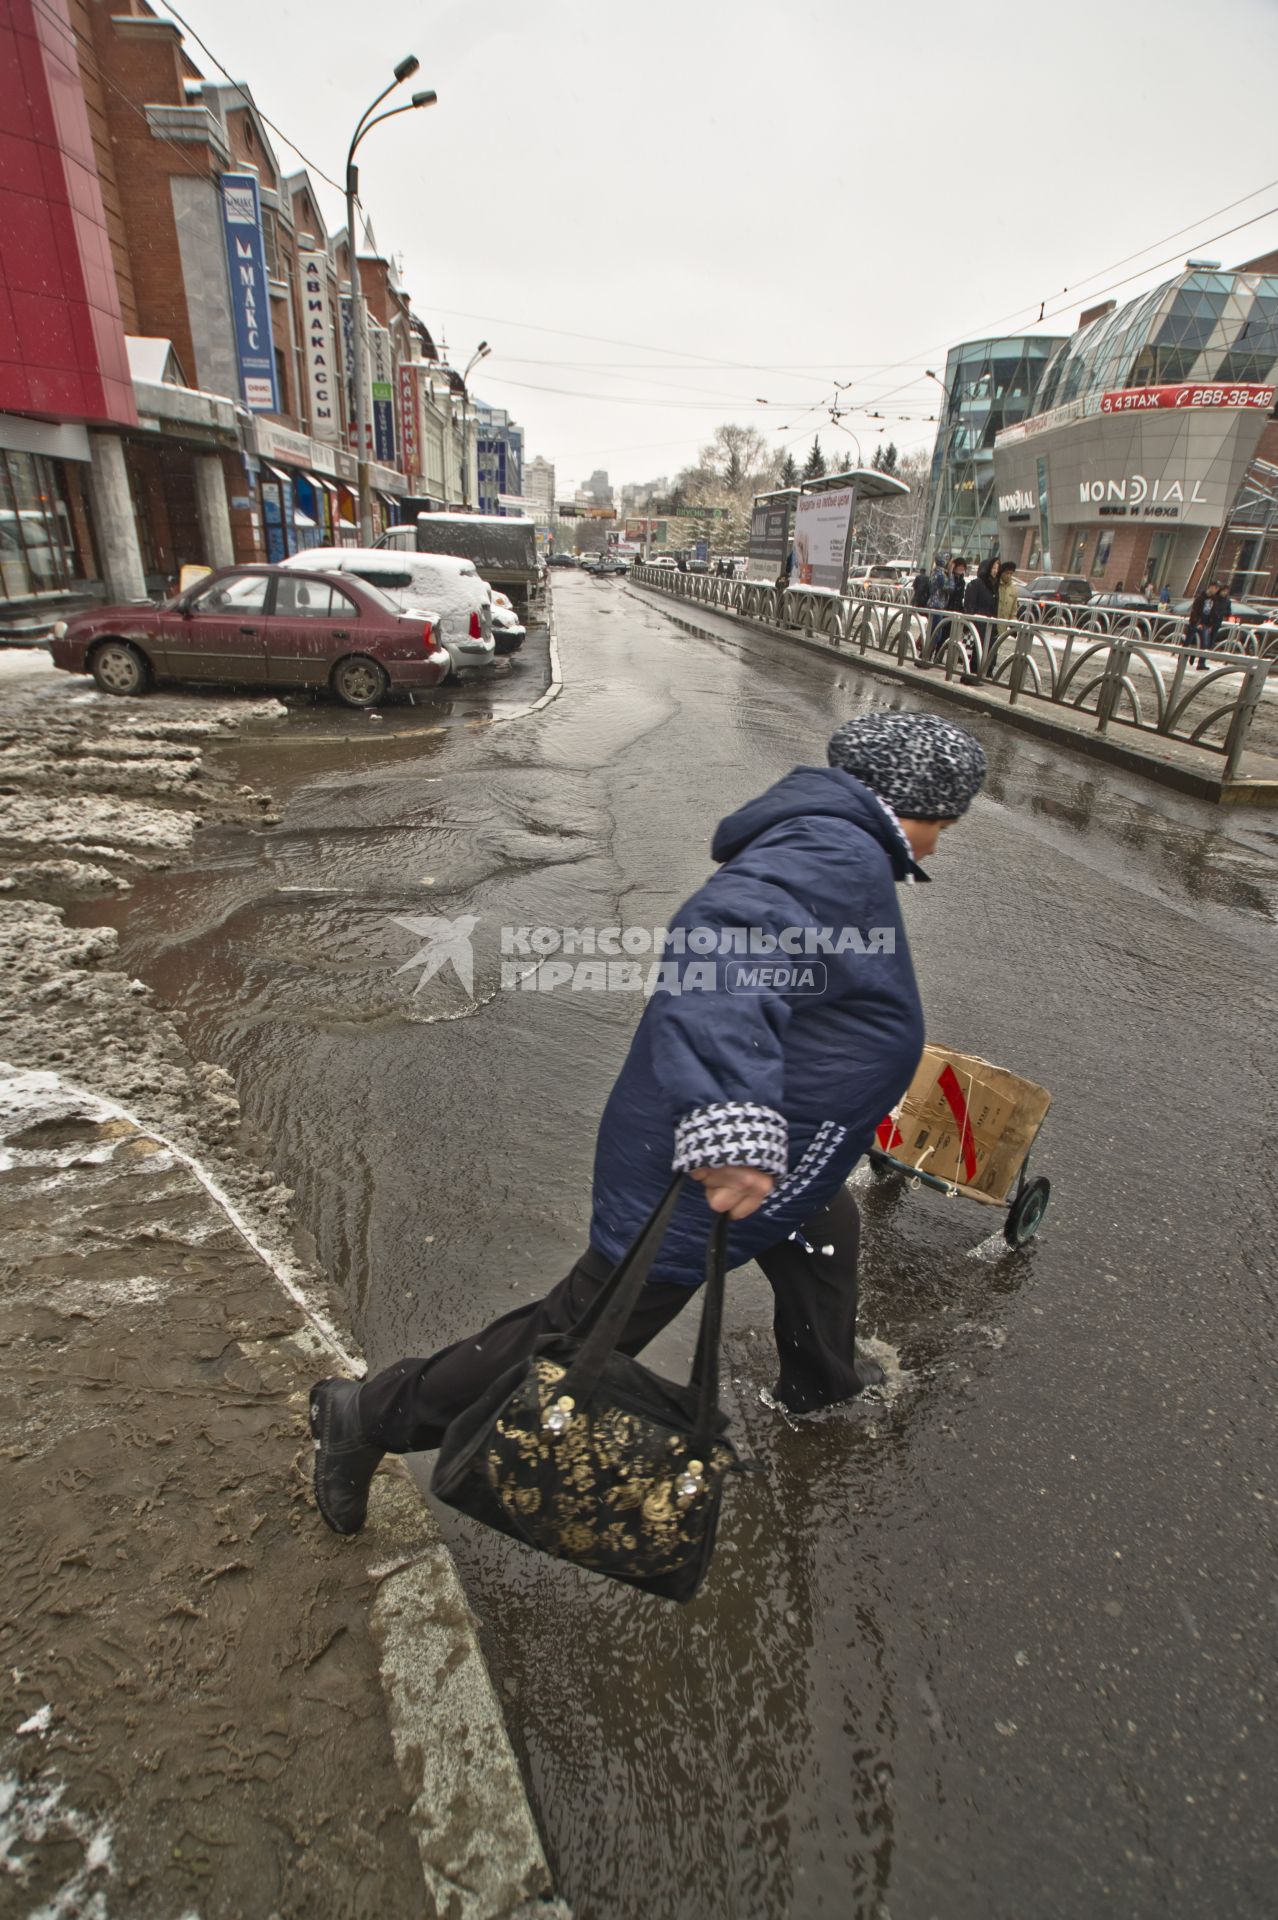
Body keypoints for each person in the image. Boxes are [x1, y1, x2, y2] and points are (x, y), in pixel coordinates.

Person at [309, 714, 989, 1535]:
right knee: (583, 1336)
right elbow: (719, 950)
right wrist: (732, 1124)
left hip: (789, 1158)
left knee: (824, 1236)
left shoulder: (839, 843)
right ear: (901, 800)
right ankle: (369, 1415)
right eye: (940, 824)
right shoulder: (834, 851)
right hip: (707, 1165)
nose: (938, 845)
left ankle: (824, 1386)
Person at [925, 557, 966, 664]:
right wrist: (951, 574)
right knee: (937, 634)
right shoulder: (942, 575)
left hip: (950, 609)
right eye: (957, 566)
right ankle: (927, 656)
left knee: (943, 635)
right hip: (941, 607)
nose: (961, 569)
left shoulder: (961, 581)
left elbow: (959, 596)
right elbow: (950, 588)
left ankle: (934, 657)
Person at [1188, 579, 1230, 669]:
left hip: (1208, 624)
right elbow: (1196, 611)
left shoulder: (1218, 599)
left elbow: (1213, 612)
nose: (1216, 590)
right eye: (1215, 588)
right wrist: (1197, 622)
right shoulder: (1202, 597)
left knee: (1205, 644)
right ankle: (1185, 658)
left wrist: (1211, 624)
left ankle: (1201, 663)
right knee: (1189, 642)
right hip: (1197, 622)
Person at [997, 560, 1019, 627]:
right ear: (1001, 572)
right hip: (992, 623)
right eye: (1006, 573)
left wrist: (1014, 623)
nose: (1008, 576)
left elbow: (1013, 612)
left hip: (1004, 626)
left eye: (1011, 573)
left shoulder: (1014, 589)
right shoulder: (995, 585)